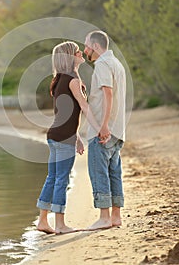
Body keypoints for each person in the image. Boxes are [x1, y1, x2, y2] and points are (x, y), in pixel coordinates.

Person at [36, 41, 99, 235]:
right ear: (69, 57)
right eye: (77, 51)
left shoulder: (60, 79)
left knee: (53, 178)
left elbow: (67, 115)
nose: (81, 53)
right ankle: (60, 224)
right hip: (63, 138)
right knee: (61, 179)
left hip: (55, 135)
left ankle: (43, 221)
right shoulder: (72, 79)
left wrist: (77, 137)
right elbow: (84, 106)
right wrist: (100, 128)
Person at [84, 30, 126, 230]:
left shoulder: (102, 64)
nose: (85, 51)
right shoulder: (117, 64)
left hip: (104, 129)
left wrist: (103, 125)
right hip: (118, 130)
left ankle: (104, 218)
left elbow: (108, 94)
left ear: (96, 47)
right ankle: (115, 216)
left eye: (87, 46)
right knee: (114, 172)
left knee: (99, 172)